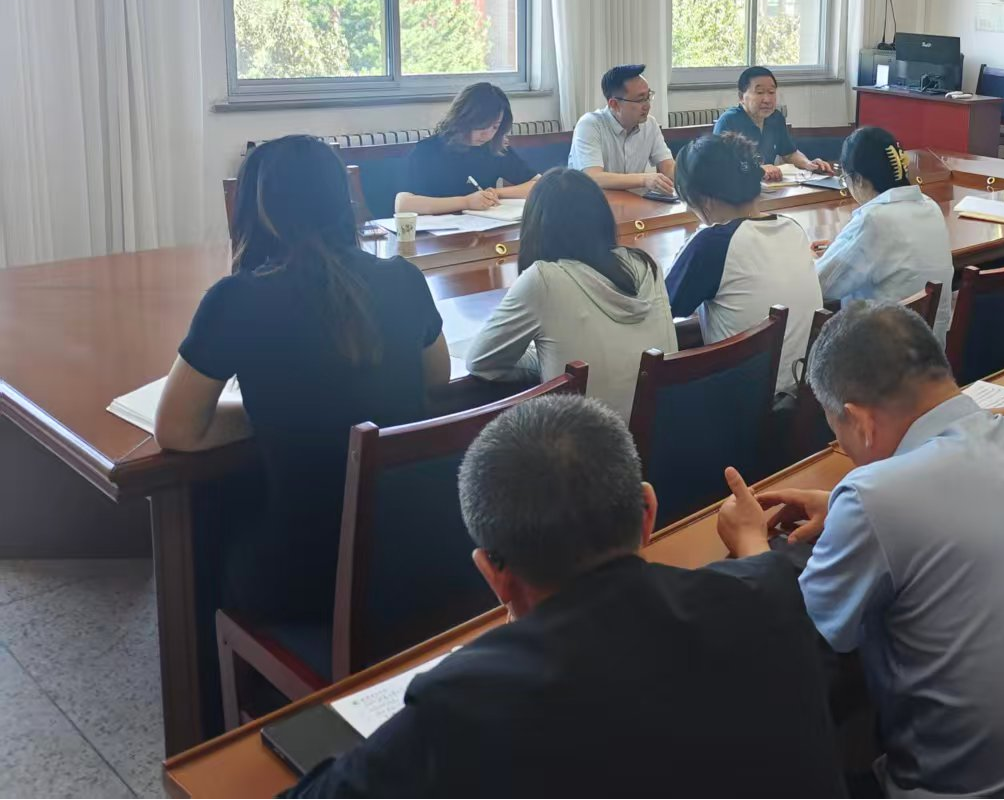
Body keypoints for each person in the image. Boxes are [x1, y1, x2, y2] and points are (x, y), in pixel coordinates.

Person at [284, 394, 847, 798]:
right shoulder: (772, 595)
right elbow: (762, 576)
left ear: (495, 576)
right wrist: (751, 541)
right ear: (648, 513)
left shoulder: (465, 703)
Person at [716, 302, 1004, 798]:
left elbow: (783, 645)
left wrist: (751, 542)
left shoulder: (876, 499)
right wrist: (842, 507)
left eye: (840, 435)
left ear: (859, 421)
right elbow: (966, 501)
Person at [155, 136, 450, 623]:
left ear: (256, 212)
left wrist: (277, 410)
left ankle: (216, 669)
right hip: (420, 551)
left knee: (211, 518)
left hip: (310, 574)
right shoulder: (403, 278)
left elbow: (177, 430)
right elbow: (435, 379)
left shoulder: (236, 299)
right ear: (342, 200)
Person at [465, 169, 678, 416]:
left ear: (535, 226)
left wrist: (544, 358)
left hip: (585, 437)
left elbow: (481, 362)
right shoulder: (646, 265)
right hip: (662, 431)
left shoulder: (543, 280)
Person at [665, 133, 822, 392]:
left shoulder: (713, 243)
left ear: (703, 200)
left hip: (741, 404)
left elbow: (665, 306)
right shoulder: (793, 228)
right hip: (801, 395)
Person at [813, 127, 954, 344]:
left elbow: (820, 285)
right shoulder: (930, 206)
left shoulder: (874, 220)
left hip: (880, 356)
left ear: (859, 179)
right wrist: (840, 248)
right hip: (930, 354)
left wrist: (810, 259)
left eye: (845, 179)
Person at [396, 83, 538, 215]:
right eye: (481, 126)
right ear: (463, 119)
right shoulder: (428, 150)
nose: (487, 134)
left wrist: (496, 192)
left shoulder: (495, 148)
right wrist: (466, 202)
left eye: (495, 127)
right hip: (437, 230)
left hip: (482, 227)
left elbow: (539, 185)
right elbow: (403, 205)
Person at [568, 64, 677, 194]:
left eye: (648, 97)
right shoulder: (590, 125)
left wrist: (689, 176)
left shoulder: (650, 125)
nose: (647, 105)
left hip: (637, 203)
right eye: (640, 99)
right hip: (597, 203)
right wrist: (644, 179)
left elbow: (667, 166)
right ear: (614, 104)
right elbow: (594, 177)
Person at [714, 66, 834, 181]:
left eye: (771, 92)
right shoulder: (729, 121)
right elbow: (720, 167)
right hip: (737, 190)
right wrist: (757, 170)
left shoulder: (776, 118)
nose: (767, 99)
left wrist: (809, 164)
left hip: (769, 187)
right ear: (741, 97)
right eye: (759, 92)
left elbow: (789, 154)